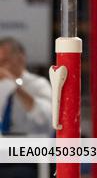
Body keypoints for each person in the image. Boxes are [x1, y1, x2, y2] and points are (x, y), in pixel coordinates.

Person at [0, 37, 52, 177]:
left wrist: (16, 86)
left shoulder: (39, 85)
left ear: (21, 58)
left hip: (27, 156)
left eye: (4, 61)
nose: (1, 68)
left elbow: (47, 120)